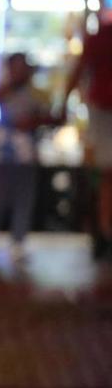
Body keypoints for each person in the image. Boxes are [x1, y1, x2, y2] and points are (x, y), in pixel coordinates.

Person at [0, 52, 55, 259]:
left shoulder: (38, 94)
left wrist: (33, 122)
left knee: (24, 198)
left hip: (26, 154)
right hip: (1, 154)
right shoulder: (2, 91)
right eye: (15, 67)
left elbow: (51, 117)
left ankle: (18, 241)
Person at [65, 18, 112, 259]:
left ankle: (103, 231)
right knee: (106, 176)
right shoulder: (100, 37)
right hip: (103, 111)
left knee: (106, 177)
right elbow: (81, 69)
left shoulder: (99, 37)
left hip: (100, 111)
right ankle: (104, 232)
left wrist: (64, 102)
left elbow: (79, 69)